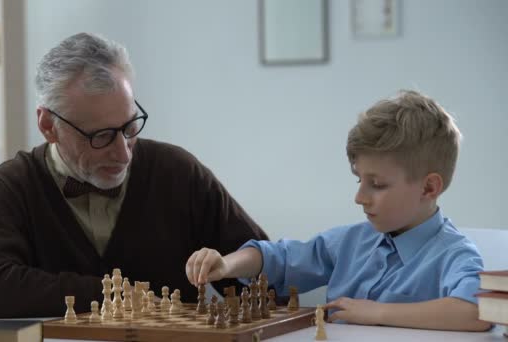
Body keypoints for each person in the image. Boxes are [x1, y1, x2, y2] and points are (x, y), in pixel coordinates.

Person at [0, 33, 268, 318]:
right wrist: (122, 297)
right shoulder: (11, 186)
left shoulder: (178, 172)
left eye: (130, 128)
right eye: (101, 136)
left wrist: (231, 270)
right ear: (48, 125)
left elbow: (265, 274)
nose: (124, 154)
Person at [186, 90, 491, 331]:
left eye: (378, 184)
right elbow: (280, 258)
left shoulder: (454, 254)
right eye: (360, 180)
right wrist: (226, 265)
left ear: (428, 188)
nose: (360, 197)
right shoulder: (351, 242)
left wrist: (379, 312)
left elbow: (477, 311)